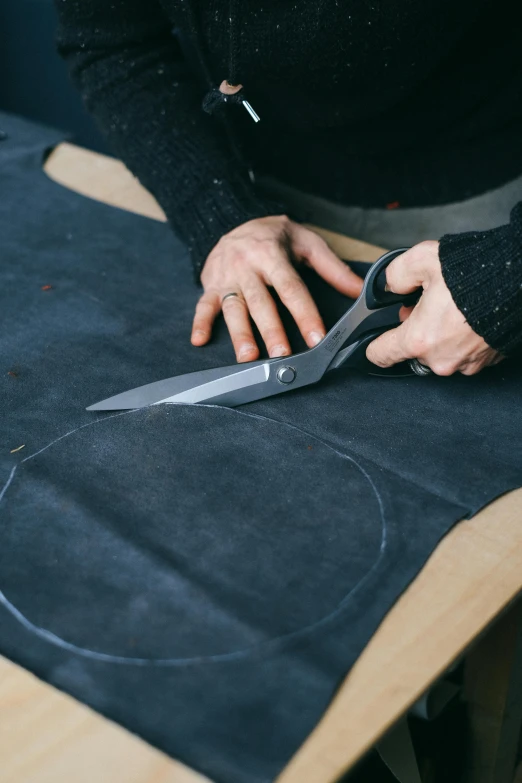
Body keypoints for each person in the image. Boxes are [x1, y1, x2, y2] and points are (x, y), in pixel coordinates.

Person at [54, 0, 522, 375]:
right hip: (260, 183)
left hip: (485, 195)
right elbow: (111, 43)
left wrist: (507, 279)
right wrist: (218, 208)